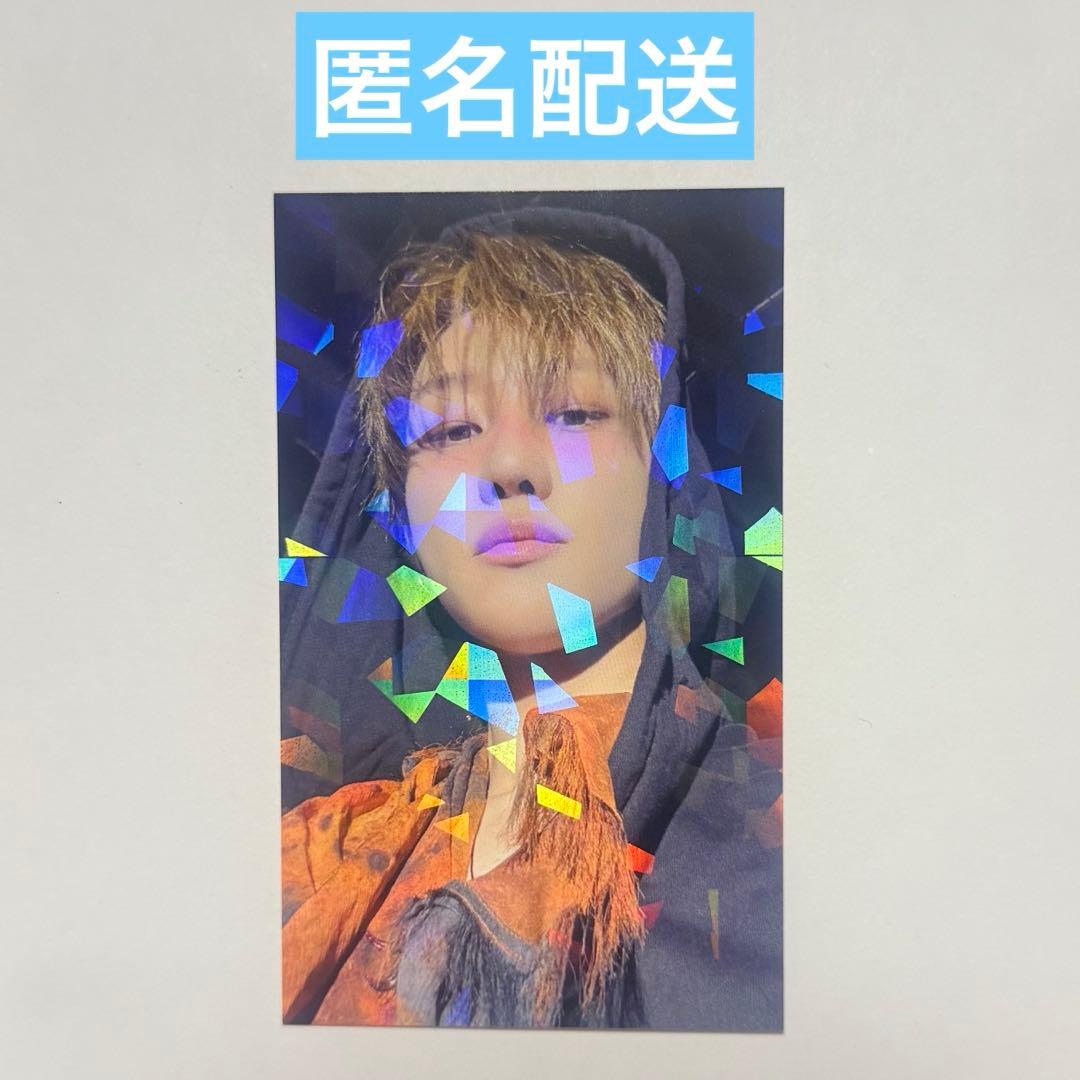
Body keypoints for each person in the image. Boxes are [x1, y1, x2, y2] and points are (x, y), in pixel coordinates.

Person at [279, 206, 782, 1029]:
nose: (509, 464)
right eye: (450, 428)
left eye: (576, 414)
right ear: (401, 519)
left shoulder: (800, 829)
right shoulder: (316, 857)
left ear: (663, 463)